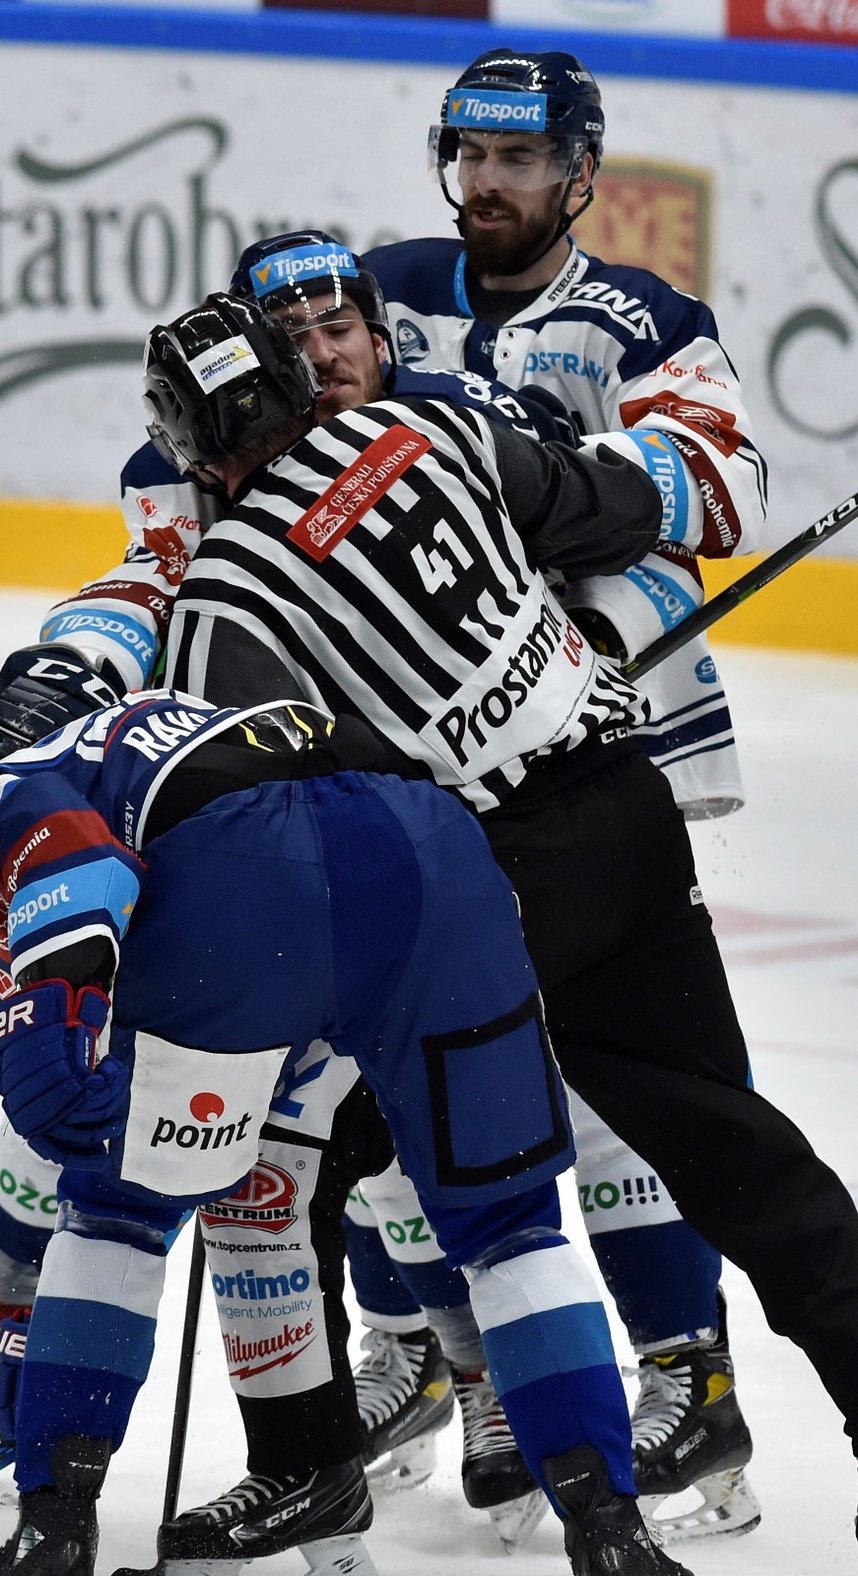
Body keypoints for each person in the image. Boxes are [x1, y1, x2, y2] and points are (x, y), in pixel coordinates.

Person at [149, 288, 858, 1543]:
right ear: (299, 378)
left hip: (486, 893)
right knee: (734, 1145)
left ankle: (313, 1454)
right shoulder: (434, 432)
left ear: (193, 448)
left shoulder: (228, 587)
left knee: (287, 1163)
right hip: (629, 822)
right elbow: (623, 509)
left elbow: (253, 803)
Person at [0, 237, 592, 1519]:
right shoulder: (202, 508)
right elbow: (146, 583)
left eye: (337, 329)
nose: (319, 357)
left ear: (374, 334)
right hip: (285, 840)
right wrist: (71, 662)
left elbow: (575, 540)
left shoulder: (441, 422)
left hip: (432, 831)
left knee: (394, 1152)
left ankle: (467, 1378)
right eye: (295, 335)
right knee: (216, 1146)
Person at [0, 682, 695, 1576]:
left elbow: (70, 853)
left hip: (247, 878)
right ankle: (613, 1534)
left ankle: (55, 1527)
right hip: (433, 851)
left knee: (117, 1213)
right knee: (511, 1229)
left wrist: (46, 1012)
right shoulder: (149, 727)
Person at [355, 44, 771, 1539]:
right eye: (467, 157)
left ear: (578, 176)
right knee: (371, 1062)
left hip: (592, 740)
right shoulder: (383, 283)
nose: (486, 186)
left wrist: (548, 479)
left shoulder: (637, 319)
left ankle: (688, 1375)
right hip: (411, 726)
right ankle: (425, 1359)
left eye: (517, 163)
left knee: (596, 1082)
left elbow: (723, 492)